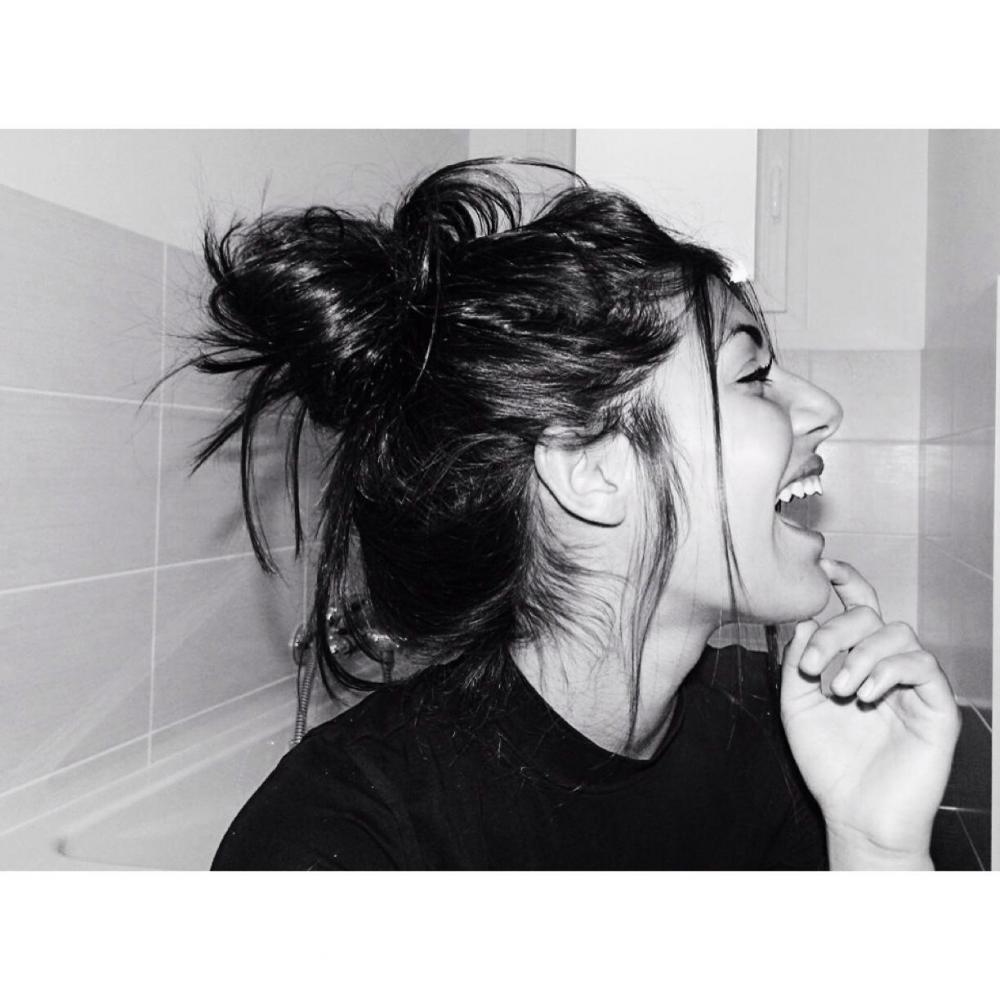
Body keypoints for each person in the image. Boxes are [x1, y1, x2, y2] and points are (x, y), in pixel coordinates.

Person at [181, 158, 960, 870]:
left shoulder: (796, 745)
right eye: (752, 376)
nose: (822, 408)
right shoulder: (341, 839)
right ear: (590, 471)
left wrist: (874, 849)